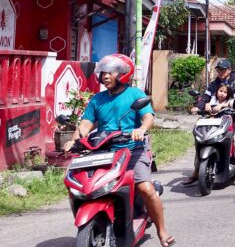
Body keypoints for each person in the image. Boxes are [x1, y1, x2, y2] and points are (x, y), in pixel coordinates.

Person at [66, 54, 175, 247]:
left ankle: (162, 231)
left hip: (133, 149)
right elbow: (85, 124)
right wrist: (74, 141)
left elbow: (148, 117)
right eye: (103, 72)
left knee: (146, 189)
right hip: (104, 151)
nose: (106, 76)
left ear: (123, 74)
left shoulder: (135, 94)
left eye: (111, 72)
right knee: (86, 186)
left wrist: (140, 130)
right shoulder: (97, 99)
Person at [183, 59, 235, 188]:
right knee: (201, 140)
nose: (220, 72)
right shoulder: (214, 84)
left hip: (234, 118)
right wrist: (199, 106)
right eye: (218, 70)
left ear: (229, 70)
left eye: (223, 70)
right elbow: (205, 97)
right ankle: (197, 171)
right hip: (215, 119)